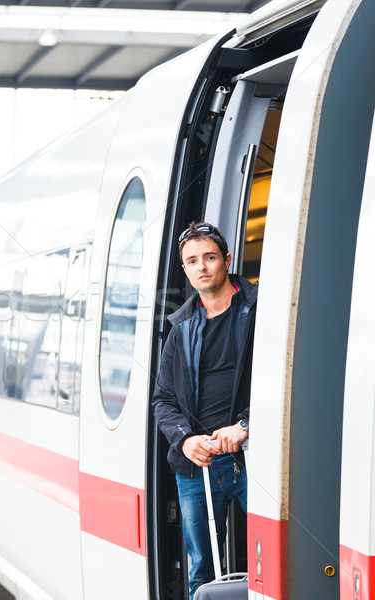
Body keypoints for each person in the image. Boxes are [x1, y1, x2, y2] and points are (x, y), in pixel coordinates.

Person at [152, 221, 257, 599]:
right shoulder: (180, 327)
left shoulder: (261, 310)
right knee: (202, 575)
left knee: (271, 562)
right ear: (185, 269)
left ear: (226, 260)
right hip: (199, 468)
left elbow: (287, 379)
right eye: (192, 260)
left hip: (254, 459)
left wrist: (247, 425)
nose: (202, 267)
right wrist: (185, 441)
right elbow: (162, 399)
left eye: (209, 257)